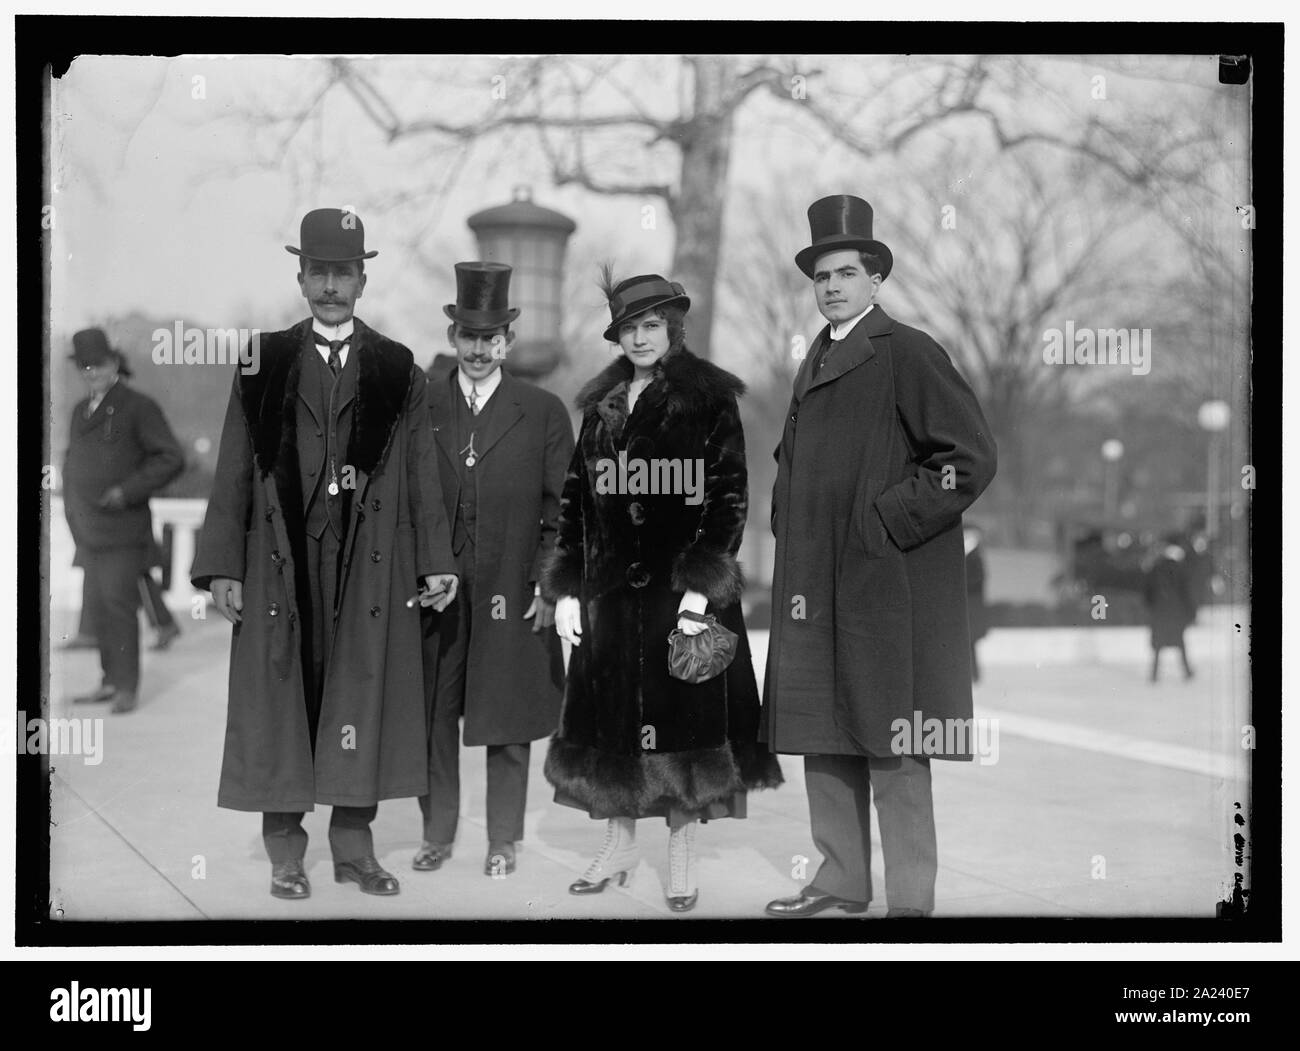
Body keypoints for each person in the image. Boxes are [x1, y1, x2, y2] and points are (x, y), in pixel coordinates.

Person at [191, 208, 459, 901]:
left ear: (362, 279)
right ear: (302, 276)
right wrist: (222, 565)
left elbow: (426, 475)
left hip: (367, 564)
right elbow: (229, 471)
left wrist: (438, 560)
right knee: (284, 696)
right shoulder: (263, 361)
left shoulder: (398, 369)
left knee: (358, 699)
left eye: (344, 272)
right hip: (281, 557)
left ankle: (353, 847)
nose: (332, 285)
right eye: (321, 271)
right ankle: (285, 850)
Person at [763, 195, 997, 918]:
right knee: (822, 733)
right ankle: (838, 879)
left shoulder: (910, 352)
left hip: (884, 586)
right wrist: (785, 521)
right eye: (821, 275)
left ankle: (910, 903)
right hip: (814, 584)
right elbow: (791, 460)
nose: (831, 285)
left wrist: (887, 518)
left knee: (895, 743)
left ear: (875, 279)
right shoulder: (816, 359)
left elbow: (969, 457)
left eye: (845, 272)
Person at [542, 270, 783, 913]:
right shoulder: (600, 405)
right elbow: (576, 499)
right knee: (616, 724)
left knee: (682, 723)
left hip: (682, 596)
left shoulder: (708, 398)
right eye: (630, 327)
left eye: (653, 325)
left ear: (672, 328)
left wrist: (702, 586)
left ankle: (680, 852)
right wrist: (567, 586)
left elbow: (731, 496)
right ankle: (620, 844)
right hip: (611, 594)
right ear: (617, 335)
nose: (642, 337)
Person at [414, 262, 574, 878]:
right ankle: (436, 834)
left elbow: (564, 508)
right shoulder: (424, 405)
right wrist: (427, 568)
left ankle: (502, 839)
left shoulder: (541, 411)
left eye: (491, 338)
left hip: (514, 588)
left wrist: (547, 579)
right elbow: (409, 497)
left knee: (507, 719)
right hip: (439, 589)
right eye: (468, 337)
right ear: (453, 338)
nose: (479, 350)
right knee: (435, 713)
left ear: (507, 339)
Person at [64, 329, 184, 714]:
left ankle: (126, 688)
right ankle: (109, 680)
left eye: (98, 364)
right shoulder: (79, 411)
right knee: (99, 606)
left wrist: (127, 490)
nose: (91, 372)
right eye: (84, 365)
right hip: (88, 529)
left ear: (114, 363)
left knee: (118, 606)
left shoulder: (138, 406)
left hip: (123, 529)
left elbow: (170, 457)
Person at [1143, 532, 1197, 682]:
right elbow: (1187, 593)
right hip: (1176, 613)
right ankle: (1187, 672)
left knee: (1159, 645)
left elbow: (1147, 592)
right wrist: (1191, 612)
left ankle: (1154, 674)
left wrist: (1152, 607)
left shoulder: (1155, 568)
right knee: (1180, 643)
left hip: (1160, 612)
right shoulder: (1181, 570)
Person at [964, 524, 988, 683]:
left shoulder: (974, 556)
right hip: (970, 607)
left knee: (970, 643)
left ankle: (974, 675)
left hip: (971, 607)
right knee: (968, 644)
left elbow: (976, 580)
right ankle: (973, 675)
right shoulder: (970, 554)